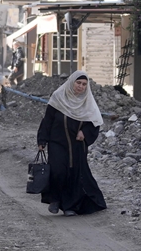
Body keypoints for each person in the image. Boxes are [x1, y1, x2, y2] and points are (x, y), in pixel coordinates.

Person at [37, 71, 106, 216]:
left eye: (84, 84)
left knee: (75, 174)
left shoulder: (87, 102)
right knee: (58, 171)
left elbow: (94, 122)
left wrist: (85, 133)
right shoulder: (58, 97)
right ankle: (55, 200)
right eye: (78, 83)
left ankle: (71, 206)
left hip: (77, 145)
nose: (81, 87)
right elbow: (47, 120)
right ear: (71, 82)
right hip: (57, 142)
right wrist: (42, 140)